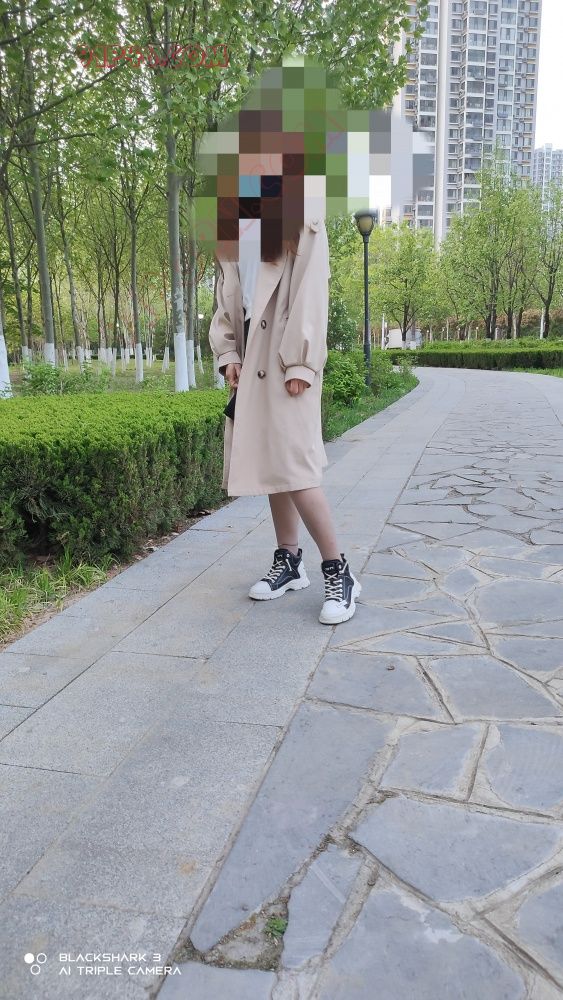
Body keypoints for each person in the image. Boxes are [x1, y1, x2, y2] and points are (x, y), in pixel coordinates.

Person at [208, 201, 361, 625]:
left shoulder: (303, 215)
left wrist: (300, 362)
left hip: (285, 355)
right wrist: (228, 352)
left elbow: (311, 290)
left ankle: (339, 570)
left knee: (296, 467)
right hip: (251, 354)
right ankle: (289, 559)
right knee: (273, 463)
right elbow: (226, 294)